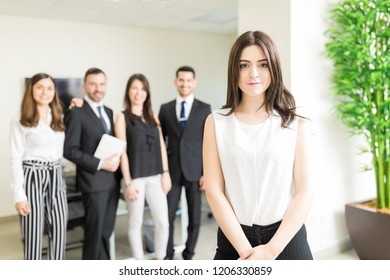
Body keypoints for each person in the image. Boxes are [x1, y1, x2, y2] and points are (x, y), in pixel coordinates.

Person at [203, 30, 314, 260]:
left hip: (286, 239)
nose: (253, 73)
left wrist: (272, 250)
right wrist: (246, 253)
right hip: (234, 239)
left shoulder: (295, 123)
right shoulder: (216, 122)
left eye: (263, 65)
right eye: (244, 65)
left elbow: (305, 191)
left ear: (274, 68)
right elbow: (214, 191)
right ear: (234, 70)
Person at [63, 67, 120, 260]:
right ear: (84, 86)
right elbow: (69, 150)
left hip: (112, 182)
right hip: (93, 183)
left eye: (102, 84)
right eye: (93, 84)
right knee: (94, 234)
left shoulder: (110, 112)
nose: (98, 88)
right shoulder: (76, 113)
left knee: (105, 231)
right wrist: (99, 163)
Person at [9, 73, 68, 260]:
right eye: (40, 87)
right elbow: (15, 158)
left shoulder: (59, 116)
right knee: (33, 234)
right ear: (31, 90)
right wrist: (19, 195)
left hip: (56, 174)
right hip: (32, 175)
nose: (45, 92)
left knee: (59, 231)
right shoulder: (19, 119)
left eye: (50, 88)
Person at [114, 74, 171, 260]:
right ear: (128, 91)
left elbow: (162, 146)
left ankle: (160, 259)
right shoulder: (122, 117)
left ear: (147, 92)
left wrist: (166, 173)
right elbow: (122, 152)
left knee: (162, 222)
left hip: (156, 176)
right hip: (135, 178)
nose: (138, 93)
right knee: (135, 222)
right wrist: (128, 182)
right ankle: (140, 265)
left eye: (142, 89)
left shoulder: (152, 116)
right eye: (134, 88)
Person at [158, 66, 211, 260]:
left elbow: (209, 143)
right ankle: (168, 254)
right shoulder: (165, 109)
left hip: (195, 171)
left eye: (189, 80)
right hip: (171, 172)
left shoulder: (204, 109)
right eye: (181, 80)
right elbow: (160, 142)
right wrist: (162, 171)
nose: (185, 84)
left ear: (194, 83)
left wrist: (206, 173)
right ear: (175, 82)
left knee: (195, 218)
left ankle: (188, 254)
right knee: (167, 217)